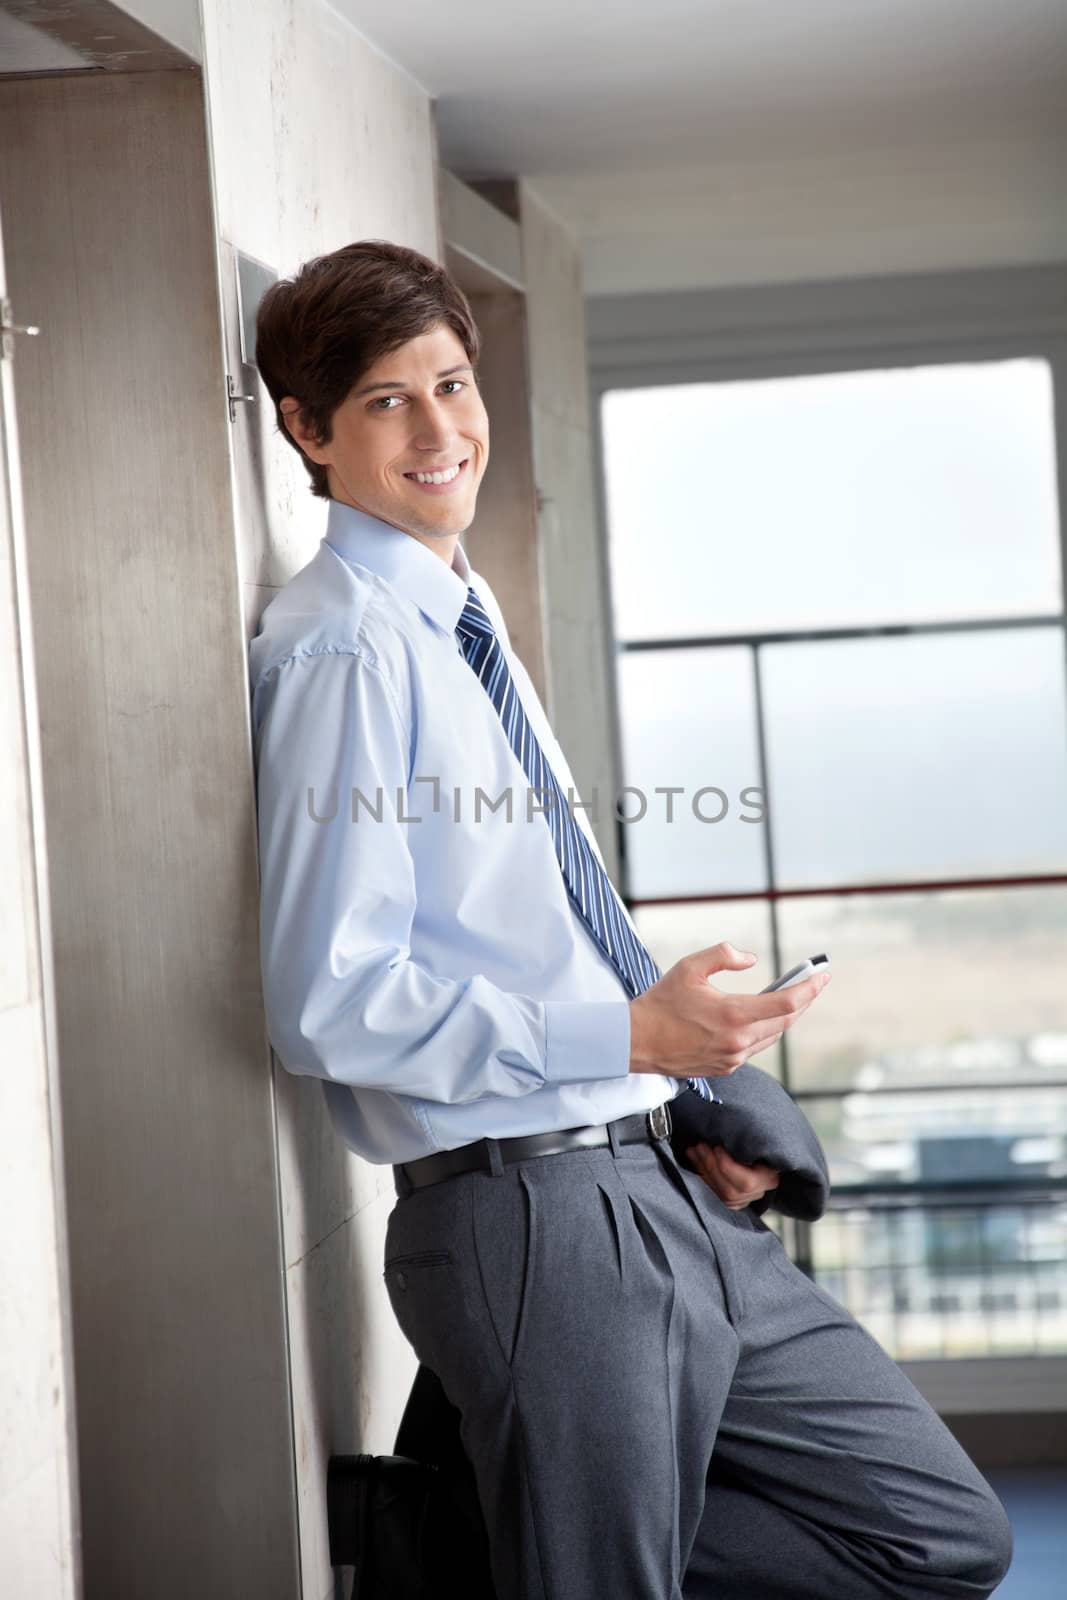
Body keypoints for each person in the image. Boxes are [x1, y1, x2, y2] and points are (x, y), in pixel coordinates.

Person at [248, 239, 1013, 1599]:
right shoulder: (349, 646)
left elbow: (505, 925)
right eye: (385, 401)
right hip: (527, 1212)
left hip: (644, 1176)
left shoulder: (457, 615)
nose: (441, 429)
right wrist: (631, 1027)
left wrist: (667, 1049)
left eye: (453, 384)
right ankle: (523, 1528)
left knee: (941, 1535)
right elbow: (331, 1001)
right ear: (306, 428)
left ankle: (506, 1524)